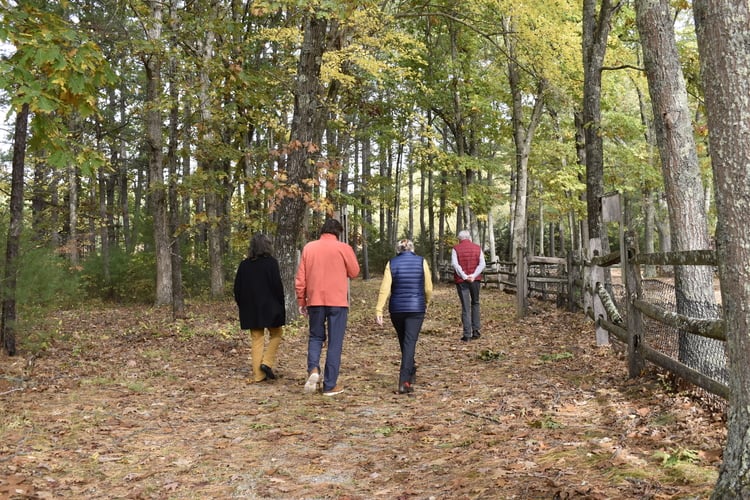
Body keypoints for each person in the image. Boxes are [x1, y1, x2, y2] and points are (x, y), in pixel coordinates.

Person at [295, 218, 360, 396]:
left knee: (315, 337)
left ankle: (313, 369)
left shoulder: (309, 248)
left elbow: (301, 278)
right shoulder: (343, 248)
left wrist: (302, 300)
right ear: (338, 232)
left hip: (315, 300)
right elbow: (354, 272)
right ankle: (330, 385)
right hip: (337, 301)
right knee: (335, 342)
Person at [376, 239, 433, 394]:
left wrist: (379, 309)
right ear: (412, 249)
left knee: (405, 341)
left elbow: (385, 288)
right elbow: (428, 287)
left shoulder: (392, 263)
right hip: (416, 308)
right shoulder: (422, 262)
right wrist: (426, 302)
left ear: (398, 250)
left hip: (397, 309)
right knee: (409, 342)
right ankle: (404, 382)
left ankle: (411, 369)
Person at [234, 233, 286, 383]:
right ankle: (267, 362)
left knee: (257, 339)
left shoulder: (244, 265)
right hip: (271, 307)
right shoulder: (271, 263)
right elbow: (277, 286)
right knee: (277, 333)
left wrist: (242, 304)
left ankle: (258, 375)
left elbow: (237, 288)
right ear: (267, 246)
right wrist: (281, 305)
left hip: (251, 308)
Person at [452, 229, 486, 342]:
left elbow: (455, 265)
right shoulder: (477, 248)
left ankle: (467, 334)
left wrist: (465, 276)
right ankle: (476, 330)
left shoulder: (456, 249)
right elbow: (482, 264)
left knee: (466, 307)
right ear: (469, 237)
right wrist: (474, 275)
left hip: (462, 281)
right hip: (475, 280)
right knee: (475, 303)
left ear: (459, 238)